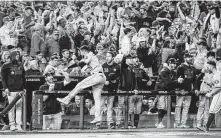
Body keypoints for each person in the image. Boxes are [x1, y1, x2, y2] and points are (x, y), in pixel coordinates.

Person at [57, 45, 106, 126]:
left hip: (97, 76)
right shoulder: (92, 59)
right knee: (97, 99)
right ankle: (98, 117)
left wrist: (74, 60)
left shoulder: (89, 54)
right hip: (102, 77)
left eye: (81, 51)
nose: (81, 53)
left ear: (83, 51)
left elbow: (84, 62)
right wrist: (67, 68)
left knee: (79, 85)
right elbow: (81, 65)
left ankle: (67, 99)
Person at [1, 51, 26, 131]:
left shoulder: (20, 65)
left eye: (18, 55)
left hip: (20, 90)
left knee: (19, 107)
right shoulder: (6, 66)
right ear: (12, 56)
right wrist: (5, 88)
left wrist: (24, 88)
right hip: (11, 90)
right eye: (16, 55)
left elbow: (24, 77)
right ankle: (12, 124)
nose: (18, 57)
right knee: (11, 108)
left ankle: (18, 124)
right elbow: (3, 79)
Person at [154, 58, 178, 128]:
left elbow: (172, 83)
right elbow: (167, 82)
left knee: (166, 108)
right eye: (173, 63)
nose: (174, 65)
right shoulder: (164, 71)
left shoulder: (172, 72)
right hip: (161, 91)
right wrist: (177, 81)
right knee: (162, 107)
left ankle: (159, 122)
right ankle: (158, 123)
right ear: (169, 63)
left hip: (167, 92)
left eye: (175, 63)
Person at [175, 53, 197, 128]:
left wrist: (195, 88)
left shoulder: (192, 68)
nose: (190, 58)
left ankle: (183, 123)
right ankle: (177, 123)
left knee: (186, 107)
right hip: (181, 90)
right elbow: (177, 79)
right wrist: (180, 89)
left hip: (189, 90)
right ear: (185, 58)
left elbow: (194, 80)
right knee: (178, 106)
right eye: (188, 57)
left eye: (191, 57)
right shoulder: (180, 67)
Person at [101, 51, 120, 129]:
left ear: (112, 57)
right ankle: (98, 122)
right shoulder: (103, 66)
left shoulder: (117, 66)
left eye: (109, 56)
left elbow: (119, 78)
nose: (107, 57)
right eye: (106, 56)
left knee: (110, 107)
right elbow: (99, 76)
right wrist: (103, 81)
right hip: (103, 89)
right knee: (101, 106)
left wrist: (115, 82)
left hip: (112, 89)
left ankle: (110, 122)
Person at [195, 61, 216, 129]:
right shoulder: (204, 72)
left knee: (208, 108)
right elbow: (197, 79)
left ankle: (205, 124)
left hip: (210, 90)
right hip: (203, 89)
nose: (207, 67)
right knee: (201, 107)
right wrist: (196, 88)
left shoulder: (216, 73)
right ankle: (198, 123)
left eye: (209, 66)